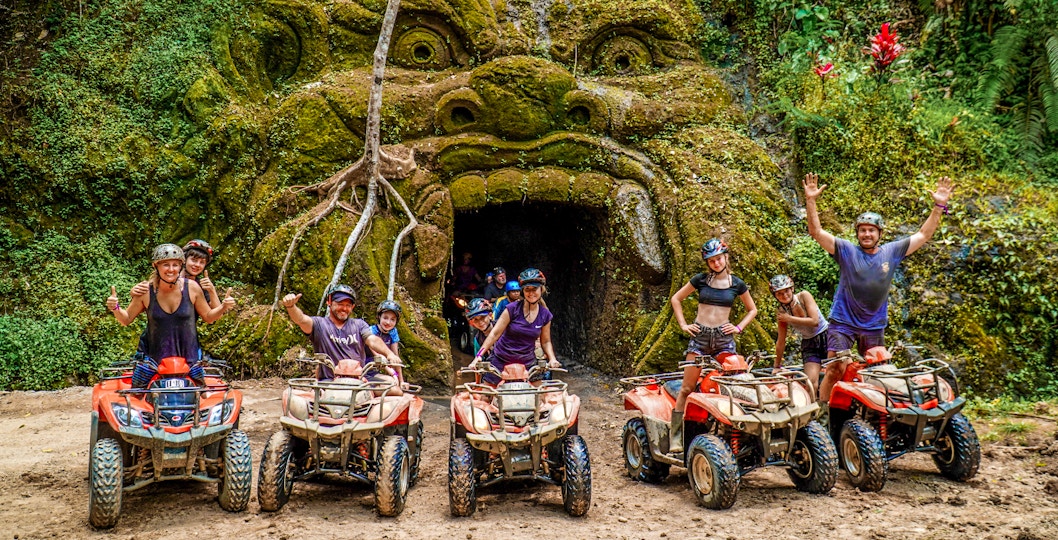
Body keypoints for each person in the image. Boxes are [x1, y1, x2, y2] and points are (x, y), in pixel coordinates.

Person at [803, 172, 954, 404]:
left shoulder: (891, 252)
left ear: (879, 234)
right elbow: (816, 233)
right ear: (857, 233)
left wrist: (938, 206)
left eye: (871, 230)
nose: (866, 233)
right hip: (843, 322)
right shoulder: (846, 251)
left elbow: (924, 235)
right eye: (862, 230)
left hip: (874, 325)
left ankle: (873, 414)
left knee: (877, 371)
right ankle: (824, 413)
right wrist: (811, 200)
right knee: (835, 368)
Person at [668, 238, 758, 453]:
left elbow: (752, 309)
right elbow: (676, 299)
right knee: (687, 388)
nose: (716, 263)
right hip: (700, 337)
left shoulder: (737, 284)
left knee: (736, 384)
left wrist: (738, 328)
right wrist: (683, 324)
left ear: (726, 258)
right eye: (711, 260)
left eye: (718, 259)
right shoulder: (700, 280)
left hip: (723, 339)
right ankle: (676, 436)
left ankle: (740, 434)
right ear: (707, 263)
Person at [106, 244, 235, 386]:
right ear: (156, 266)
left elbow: (209, 317)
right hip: (152, 360)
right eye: (166, 265)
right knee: (138, 395)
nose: (171, 269)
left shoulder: (192, 288)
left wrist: (223, 307)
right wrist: (115, 307)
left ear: (181, 266)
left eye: (175, 265)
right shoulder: (146, 290)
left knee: (200, 397)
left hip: (189, 359)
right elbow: (126, 319)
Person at [282, 284, 405, 395]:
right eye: (340, 304)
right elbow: (301, 319)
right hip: (330, 381)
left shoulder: (359, 325)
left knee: (396, 391)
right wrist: (291, 306)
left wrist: (389, 354)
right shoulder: (319, 324)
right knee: (295, 399)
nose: (344, 308)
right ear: (329, 302)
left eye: (348, 305)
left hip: (359, 381)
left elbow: (372, 339)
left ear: (353, 307)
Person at [471, 268, 561, 385]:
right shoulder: (512, 309)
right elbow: (494, 334)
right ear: (523, 291)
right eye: (527, 289)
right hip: (500, 359)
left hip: (528, 361)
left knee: (540, 398)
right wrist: (478, 356)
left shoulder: (545, 315)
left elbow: (546, 341)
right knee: (484, 397)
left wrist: (552, 359)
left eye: (534, 289)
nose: (531, 293)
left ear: (541, 290)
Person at [768, 274, 828, 397]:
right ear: (775, 296)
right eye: (780, 293)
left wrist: (789, 318)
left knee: (840, 371)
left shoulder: (804, 296)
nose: (784, 295)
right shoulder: (782, 312)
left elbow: (814, 321)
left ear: (792, 289)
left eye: (786, 291)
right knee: (810, 382)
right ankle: (812, 412)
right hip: (809, 343)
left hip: (827, 336)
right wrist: (777, 365)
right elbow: (781, 340)